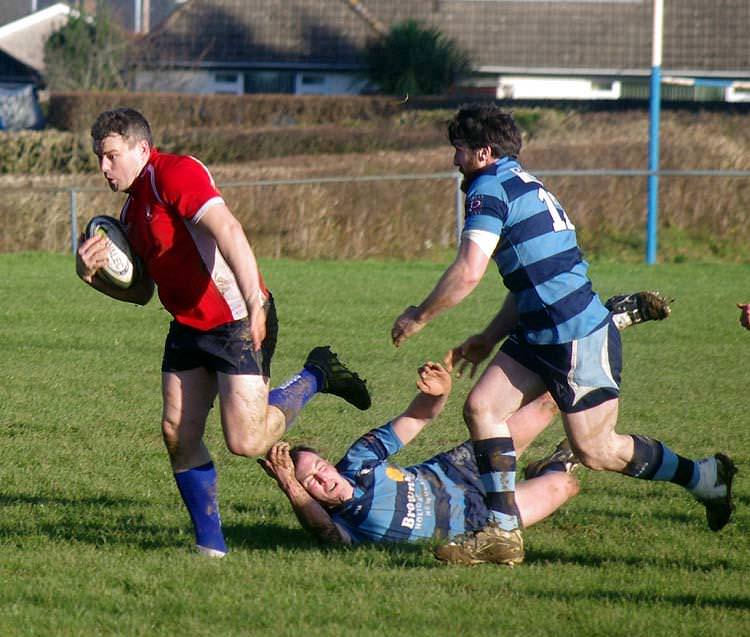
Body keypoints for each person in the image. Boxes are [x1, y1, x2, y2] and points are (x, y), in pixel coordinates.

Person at [390, 103, 736, 565]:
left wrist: (419, 316)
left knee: (596, 450)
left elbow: (469, 272)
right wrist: (490, 336)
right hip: (538, 333)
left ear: (483, 153)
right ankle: (503, 531)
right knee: (481, 407)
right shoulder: (521, 183)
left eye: (459, 151)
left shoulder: (488, 189)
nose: (454, 161)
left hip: (575, 337)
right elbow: (530, 279)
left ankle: (705, 477)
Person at [76, 107, 371, 557]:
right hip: (187, 326)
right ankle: (210, 547)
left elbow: (229, 230)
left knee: (246, 441)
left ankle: (317, 374)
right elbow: (139, 293)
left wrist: (256, 302)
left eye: (111, 156)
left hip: (235, 321)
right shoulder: (132, 210)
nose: (103, 168)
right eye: (99, 157)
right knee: (177, 432)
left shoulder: (174, 174)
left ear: (141, 148)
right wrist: (91, 277)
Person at [261, 361, 580, 564]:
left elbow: (415, 419)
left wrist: (438, 394)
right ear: (304, 494)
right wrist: (288, 483)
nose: (323, 479)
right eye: (309, 483)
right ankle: (554, 465)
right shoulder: (346, 525)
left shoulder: (359, 460)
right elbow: (325, 534)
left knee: (547, 405)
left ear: (328, 462)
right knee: (564, 486)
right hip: (477, 522)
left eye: (320, 468)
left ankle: (586, 344)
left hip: (460, 469)